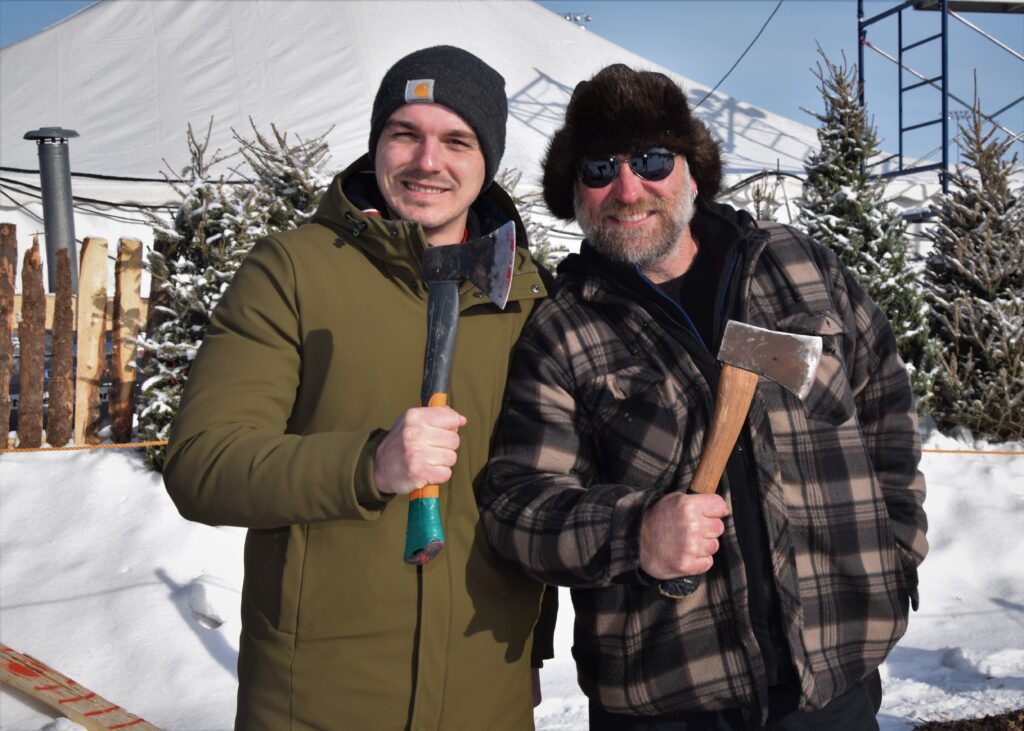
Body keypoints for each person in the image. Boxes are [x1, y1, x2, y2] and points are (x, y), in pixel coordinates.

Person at [480, 64, 928, 730]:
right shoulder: (564, 329)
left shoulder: (796, 266)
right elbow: (518, 505)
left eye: (653, 160)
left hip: (835, 688)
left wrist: (898, 547)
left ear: (693, 168)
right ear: (576, 190)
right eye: (600, 168)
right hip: (668, 703)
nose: (628, 188)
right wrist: (634, 533)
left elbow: (883, 407)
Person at [163, 46, 554, 730]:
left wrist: (533, 653)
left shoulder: (522, 291)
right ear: (377, 145)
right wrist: (369, 464)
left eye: (456, 140)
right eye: (405, 134)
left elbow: (537, 483)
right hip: (318, 694)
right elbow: (204, 463)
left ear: (485, 159)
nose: (426, 161)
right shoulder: (293, 272)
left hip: (483, 692)